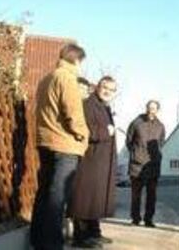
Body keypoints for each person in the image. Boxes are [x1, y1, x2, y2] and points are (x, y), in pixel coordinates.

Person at [30, 43, 90, 250]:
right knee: (57, 197)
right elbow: (73, 113)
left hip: (45, 141)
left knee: (44, 193)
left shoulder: (46, 79)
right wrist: (83, 135)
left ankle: (38, 240)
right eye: (82, 62)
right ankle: (52, 245)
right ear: (77, 60)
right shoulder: (67, 78)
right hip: (65, 144)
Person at [68, 76, 118, 248]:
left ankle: (93, 232)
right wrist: (106, 131)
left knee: (95, 198)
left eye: (112, 90)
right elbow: (86, 130)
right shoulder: (88, 105)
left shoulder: (103, 106)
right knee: (85, 198)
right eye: (105, 87)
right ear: (98, 87)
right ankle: (80, 237)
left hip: (100, 160)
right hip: (90, 159)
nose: (107, 92)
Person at [126, 100, 166, 228]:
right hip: (137, 165)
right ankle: (135, 219)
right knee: (136, 195)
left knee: (151, 195)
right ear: (146, 108)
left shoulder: (161, 126)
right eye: (149, 107)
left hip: (153, 165)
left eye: (154, 108)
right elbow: (129, 140)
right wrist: (135, 152)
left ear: (157, 110)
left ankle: (149, 219)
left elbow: (160, 143)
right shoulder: (136, 122)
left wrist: (156, 156)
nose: (151, 110)